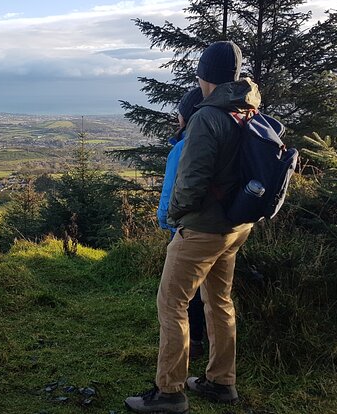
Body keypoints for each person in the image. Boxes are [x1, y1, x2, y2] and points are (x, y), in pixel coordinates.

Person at [125, 41, 261, 414]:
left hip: (202, 228)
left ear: (204, 75)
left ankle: (169, 392)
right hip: (236, 225)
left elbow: (191, 180)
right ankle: (221, 382)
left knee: (171, 304)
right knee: (219, 301)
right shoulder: (245, 109)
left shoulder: (207, 116)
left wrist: (177, 219)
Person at [156, 87, 206, 362]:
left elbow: (170, 195)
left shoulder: (183, 147)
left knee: (176, 300)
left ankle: (176, 371)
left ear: (186, 117)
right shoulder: (225, 134)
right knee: (213, 296)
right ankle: (212, 359)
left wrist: (166, 223)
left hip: (188, 229)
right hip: (226, 229)